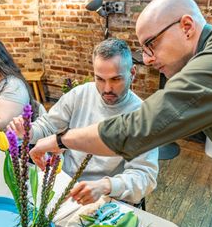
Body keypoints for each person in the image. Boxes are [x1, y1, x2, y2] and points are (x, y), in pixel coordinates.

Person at [29, 0, 212, 227]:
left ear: (186, 26)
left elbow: (137, 129)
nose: (147, 59)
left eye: (151, 45)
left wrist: (60, 140)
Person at [8, 38, 158, 205]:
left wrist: (105, 185)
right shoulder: (80, 94)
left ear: (133, 73)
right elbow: (49, 125)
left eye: (116, 79)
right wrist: (29, 132)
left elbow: (144, 177)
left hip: (106, 197)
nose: (107, 88)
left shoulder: (142, 116)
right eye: (100, 79)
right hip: (64, 183)